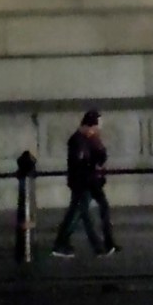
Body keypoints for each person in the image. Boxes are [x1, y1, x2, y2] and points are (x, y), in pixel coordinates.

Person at [51, 109, 118, 259]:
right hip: (83, 181)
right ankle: (98, 247)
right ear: (88, 125)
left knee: (79, 213)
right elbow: (80, 162)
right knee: (84, 214)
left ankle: (63, 243)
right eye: (95, 128)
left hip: (91, 181)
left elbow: (99, 158)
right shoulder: (77, 140)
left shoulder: (90, 139)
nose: (96, 131)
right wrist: (93, 162)